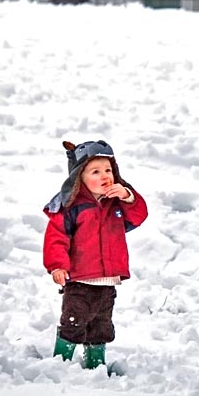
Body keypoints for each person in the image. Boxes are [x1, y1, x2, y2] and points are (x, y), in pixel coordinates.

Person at [43, 139, 148, 371]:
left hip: (107, 280)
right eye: (95, 171)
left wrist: (128, 196)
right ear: (79, 176)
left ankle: (95, 363)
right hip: (80, 280)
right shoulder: (71, 207)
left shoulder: (117, 204)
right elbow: (56, 237)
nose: (104, 176)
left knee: (101, 325)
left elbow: (139, 216)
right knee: (74, 321)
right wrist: (57, 266)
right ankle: (59, 363)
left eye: (108, 170)